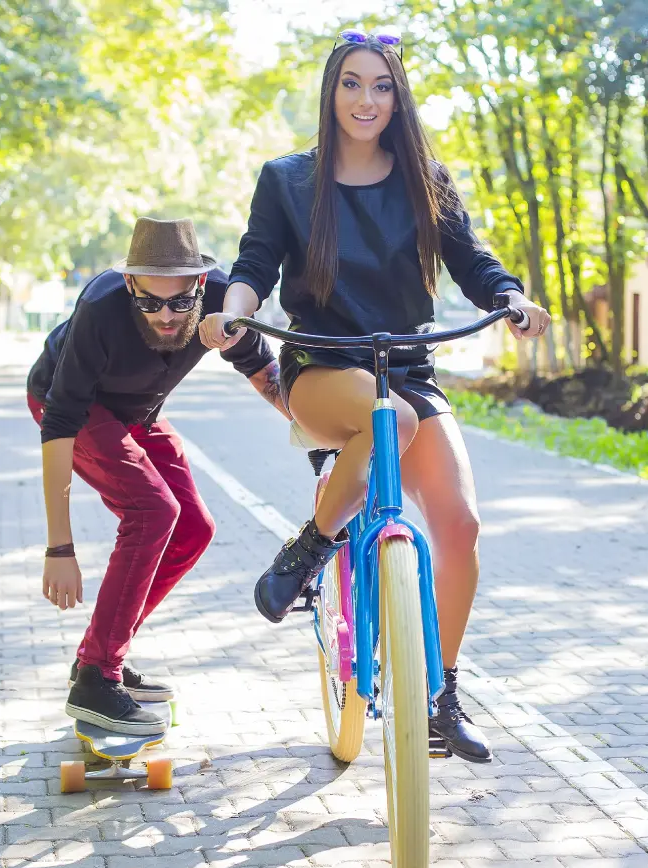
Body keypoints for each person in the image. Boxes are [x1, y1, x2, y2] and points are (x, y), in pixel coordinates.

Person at [200, 29, 550, 762]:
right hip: (323, 364)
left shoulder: (425, 177)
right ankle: (311, 544)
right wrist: (234, 311)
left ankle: (440, 697)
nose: (366, 99)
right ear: (331, 92)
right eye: (352, 83)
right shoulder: (288, 180)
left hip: (407, 367)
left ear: (398, 97)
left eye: (381, 85)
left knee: (459, 526)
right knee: (384, 417)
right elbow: (254, 263)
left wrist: (511, 297)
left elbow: (472, 262)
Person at [29, 217, 286, 735]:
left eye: (178, 302)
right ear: (130, 285)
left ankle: (99, 658)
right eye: (149, 302)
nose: (166, 316)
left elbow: (264, 372)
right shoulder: (101, 307)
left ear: (199, 286)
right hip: (69, 407)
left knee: (194, 526)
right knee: (153, 510)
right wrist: (60, 548)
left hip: (137, 412)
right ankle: (97, 679)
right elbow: (59, 420)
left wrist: (318, 430)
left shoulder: (220, 301)